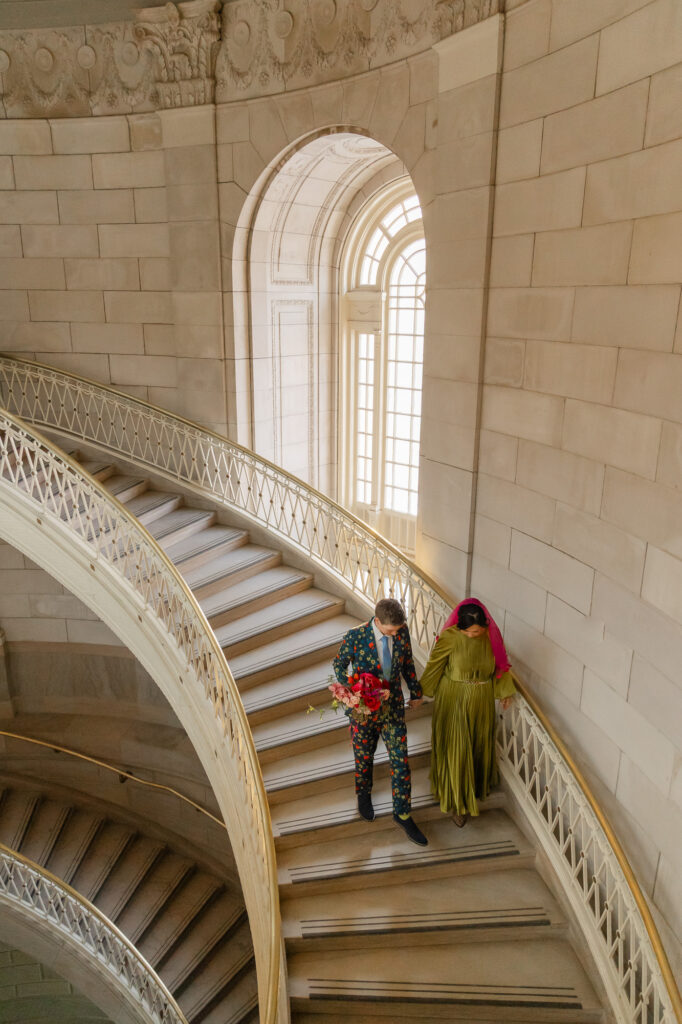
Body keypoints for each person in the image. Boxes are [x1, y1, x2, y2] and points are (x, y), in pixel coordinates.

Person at [333, 597, 428, 846]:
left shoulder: (402, 631)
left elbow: (407, 663)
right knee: (364, 757)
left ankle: (403, 813)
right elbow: (339, 665)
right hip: (364, 711)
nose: (395, 633)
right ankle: (363, 795)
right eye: (390, 630)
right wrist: (351, 692)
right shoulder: (355, 636)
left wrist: (416, 692)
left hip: (393, 707)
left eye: (398, 629)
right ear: (377, 622)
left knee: (401, 760)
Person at [419, 598, 515, 827]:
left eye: (477, 630)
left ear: (484, 625)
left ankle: (475, 788)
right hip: (454, 699)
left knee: (476, 746)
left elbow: (501, 666)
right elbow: (434, 666)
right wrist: (420, 693)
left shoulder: (491, 637)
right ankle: (457, 803)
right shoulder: (450, 638)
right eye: (469, 632)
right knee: (457, 750)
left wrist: (505, 692)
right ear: (460, 628)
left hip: (481, 701)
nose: (473, 635)